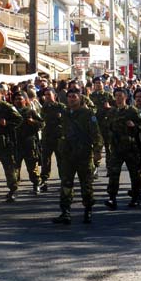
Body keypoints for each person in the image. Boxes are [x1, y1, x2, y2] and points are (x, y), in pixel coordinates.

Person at [52, 88, 102, 225]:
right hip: (67, 155)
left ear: (79, 98)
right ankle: (65, 212)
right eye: (69, 97)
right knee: (66, 184)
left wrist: (98, 151)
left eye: (74, 96)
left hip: (84, 154)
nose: (72, 99)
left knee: (86, 184)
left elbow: (96, 133)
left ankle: (88, 210)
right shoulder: (65, 113)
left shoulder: (87, 114)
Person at [105, 87, 141, 209]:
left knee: (134, 174)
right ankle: (112, 198)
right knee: (113, 173)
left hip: (131, 148)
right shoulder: (112, 112)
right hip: (117, 148)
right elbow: (108, 127)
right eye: (116, 95)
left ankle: (136, 197)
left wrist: (134, 126)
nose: (118, 98)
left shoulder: (132, 111)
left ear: (126, 97)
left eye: (120, 95)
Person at [13, 91, 44, 194]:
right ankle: (13, 188)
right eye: (16, 99)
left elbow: (42, 123)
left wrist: (33, 122)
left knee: (32, 167)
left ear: (25, 100)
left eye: (20, 99)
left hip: (29, 143)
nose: (18, 101)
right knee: (14, 168)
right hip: (16, 143)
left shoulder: (30, 112)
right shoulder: (11, 112)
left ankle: (36, 184)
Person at [40, 88, 66, 191]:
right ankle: (44, 181)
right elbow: (40, 120)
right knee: (45, 160)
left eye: (49, 94)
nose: (46, 97)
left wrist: (61, 118)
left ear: (54, 96)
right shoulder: (43, 107)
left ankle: (64, 181)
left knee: (61, 160)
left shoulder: (61, 107)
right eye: (45, 95)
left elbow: (67, 120)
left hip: (58, 138)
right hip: (47, 137)